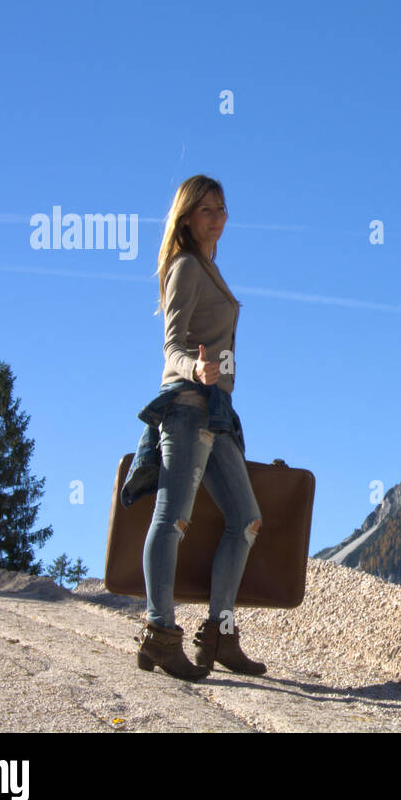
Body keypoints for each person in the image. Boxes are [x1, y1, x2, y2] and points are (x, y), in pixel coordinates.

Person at [134, 174, 267, 680]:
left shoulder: (210, 269)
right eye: (206, 209)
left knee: (247, 520)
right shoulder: (186, 268)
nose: (218, 216)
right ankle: (160, 633)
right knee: (172, 520)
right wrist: (197, 369)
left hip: (217, 410)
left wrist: (216, 379)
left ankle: (220, 633)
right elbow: (170, 346)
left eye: (222, 208)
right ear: (187, 217)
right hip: (188, 406)